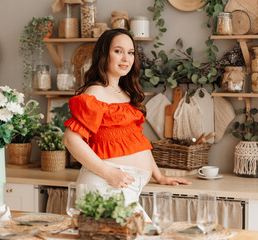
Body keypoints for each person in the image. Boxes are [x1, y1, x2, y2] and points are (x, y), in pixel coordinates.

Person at [63, 28, 191, 220]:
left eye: (130, 52)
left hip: (124, 187)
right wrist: (109, 174)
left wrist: (159, 176)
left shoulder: (125, 93)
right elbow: (71, 140)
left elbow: (136, 140)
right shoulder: (95, 93)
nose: (126, 58)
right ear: (103, 54)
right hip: (105, 185)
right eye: (118, 51)